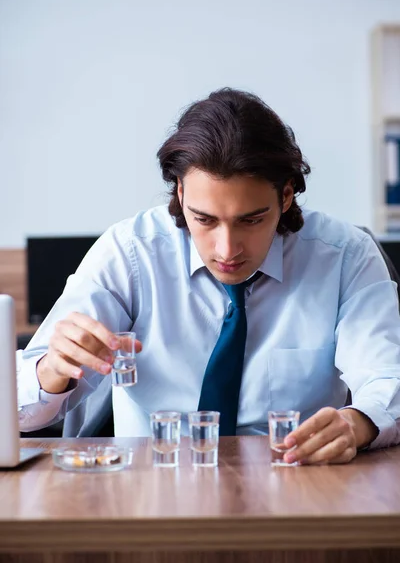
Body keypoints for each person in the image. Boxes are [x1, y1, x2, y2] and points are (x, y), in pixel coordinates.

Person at [18, 88, 400, 465]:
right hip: (151, 492)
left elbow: (389, 379)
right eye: (204, 220)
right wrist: (52, 371)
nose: (226, 249)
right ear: (181, 193)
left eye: (251, 220)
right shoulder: (129, 253)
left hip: (295, 487)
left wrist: (357, 423)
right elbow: (21, 412)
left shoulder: (346, 255)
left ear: (285, 197)